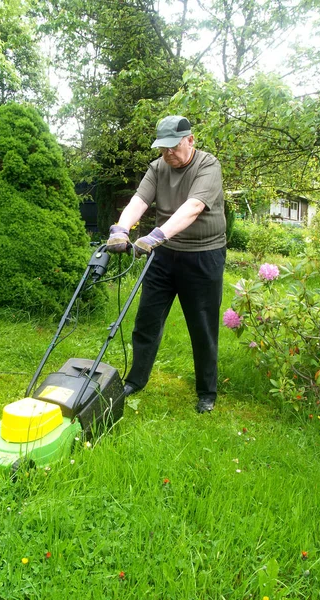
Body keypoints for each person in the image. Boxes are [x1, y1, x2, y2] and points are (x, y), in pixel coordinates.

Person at [106, 115, 226, 413]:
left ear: (190, 140)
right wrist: (121, 228)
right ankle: (135, 380)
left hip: (203, 256)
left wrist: (156, 234)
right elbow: (139, 200)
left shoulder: (207, 166)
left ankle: (206, 392)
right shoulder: (158, 168)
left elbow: (194, 207)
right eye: (163, 148)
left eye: (174, 146)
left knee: (202, 326)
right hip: (163, 256)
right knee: (146, 320)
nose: (168, 153)